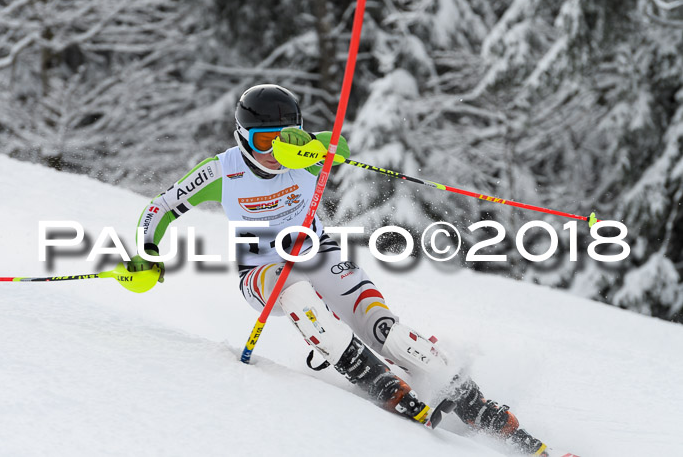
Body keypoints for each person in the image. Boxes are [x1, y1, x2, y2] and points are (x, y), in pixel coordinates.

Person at [128, 84, 549, 456]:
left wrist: (309, 145)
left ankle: (472, 402)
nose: (273, 153)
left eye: (282, 140)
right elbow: (160, 207)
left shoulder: (305, 157)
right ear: (242, 137)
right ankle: (361, 367)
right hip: (261, 269)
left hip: (319, 252)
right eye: (262, 141)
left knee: (385, 327)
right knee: (292, 289)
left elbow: (340, 147)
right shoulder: (223, 171)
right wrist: (147, 248)